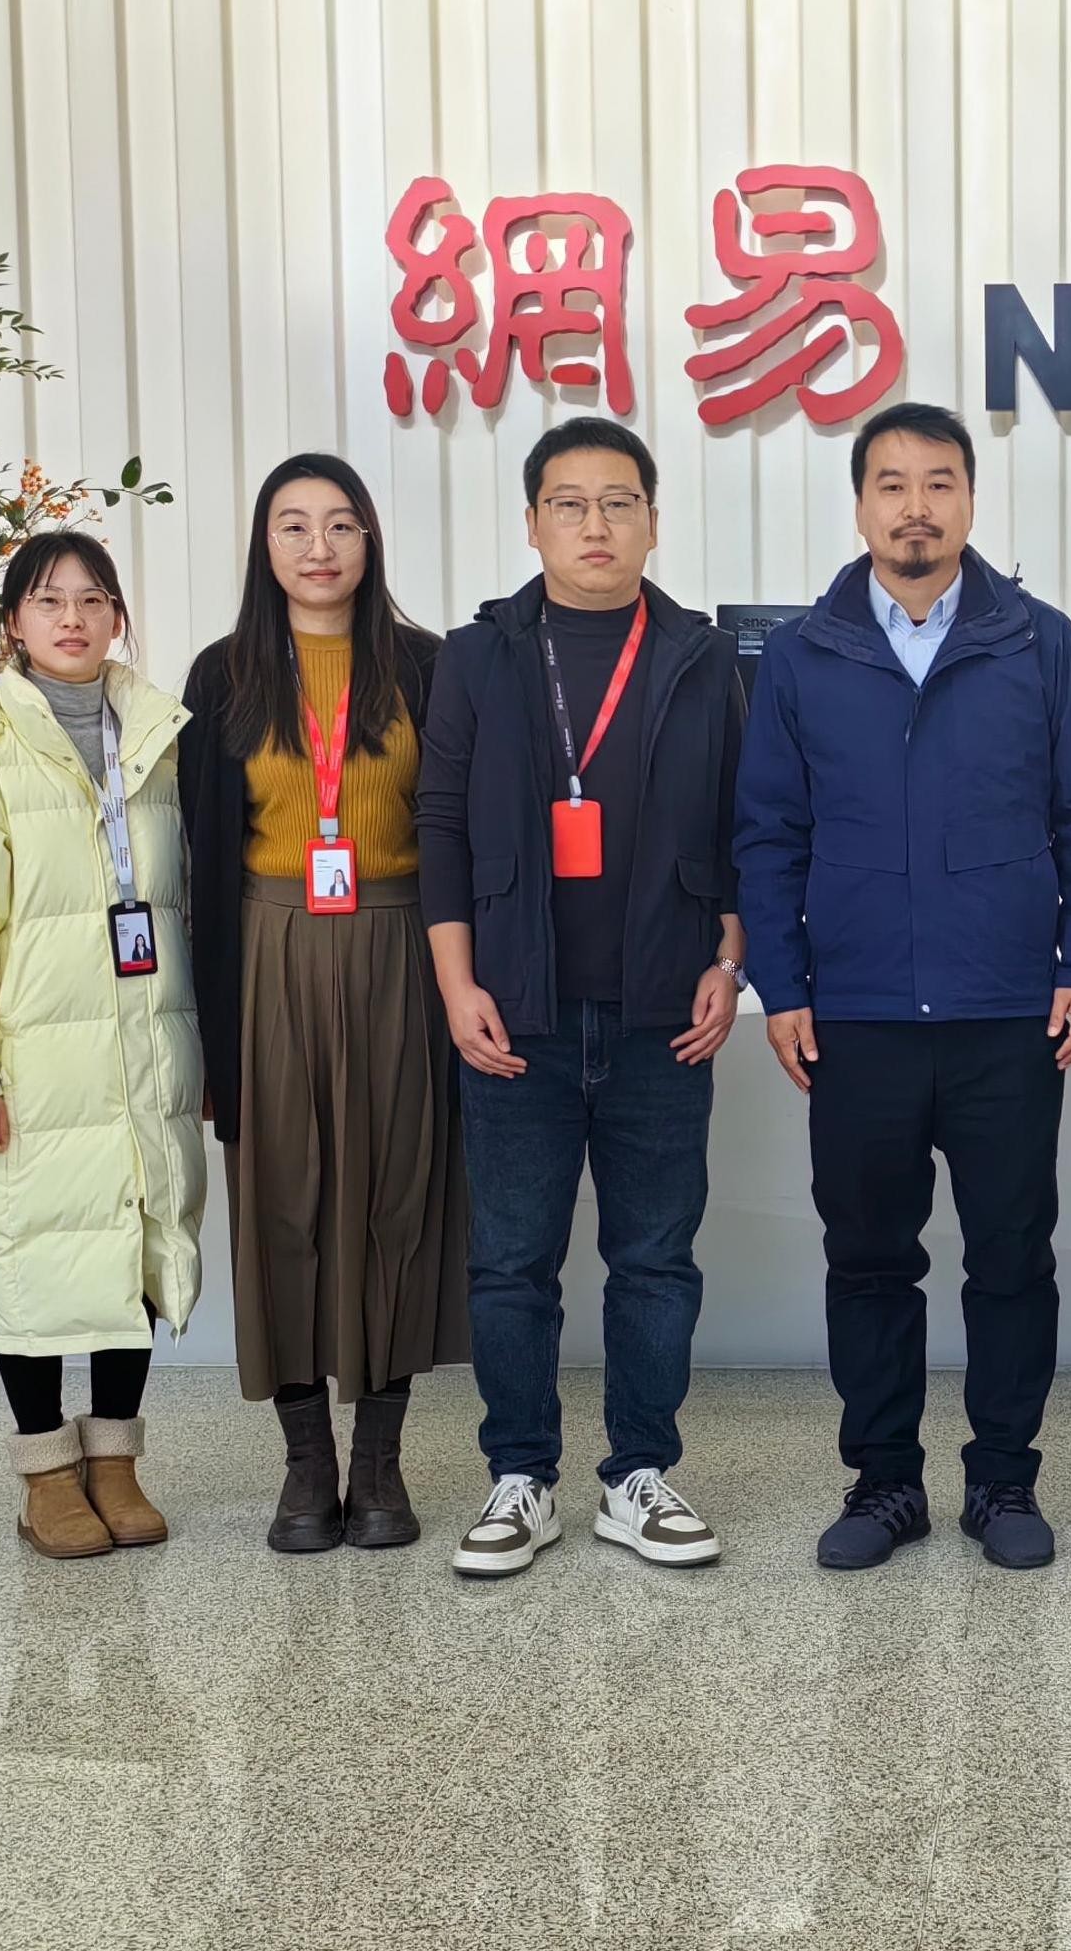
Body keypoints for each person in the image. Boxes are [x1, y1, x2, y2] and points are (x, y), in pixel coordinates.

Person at [735, 401, 1071, 1574]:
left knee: (1010, 1256)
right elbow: (768, 833)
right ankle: (884, 1481)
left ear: (968, 501)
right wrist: (781, 984)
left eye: (938, 483)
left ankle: (1002, 1477)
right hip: (856, 1015)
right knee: (868, 1258)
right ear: (859, 504)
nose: (915, 507)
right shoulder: (802, 654)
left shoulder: (1039, 644)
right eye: (891, 484)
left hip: (1007, 1010)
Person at [418, 416, 747, 1580]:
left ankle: (636, 1474)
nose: (594, 523)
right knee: (511, 1261)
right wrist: (457, 985)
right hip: (519, 1009)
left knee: (654, 1259)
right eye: (569, 502)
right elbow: (440, 827)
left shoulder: (701, 656)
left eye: (618, 502)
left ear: (653, 520)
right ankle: (520, 1476)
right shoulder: (479, 654)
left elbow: (742, 824)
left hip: (663, 1011)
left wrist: (729, 961)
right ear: (532, 522)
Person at [176, 454, 462, 1556]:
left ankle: (380, 1460)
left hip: (400, 943)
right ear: (264, 545)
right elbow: (199, 855)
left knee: (397, 1197)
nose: (318, 547)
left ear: (370, 540)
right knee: (281, 1199)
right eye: (292, 526)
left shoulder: (425, 665)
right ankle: (306, 1463)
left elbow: (457, 825)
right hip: (268, 945)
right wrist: (211, 1031)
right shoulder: (223, 673)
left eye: (341, 524)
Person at [0, 533, 203, 1560]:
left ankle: (115, 1460)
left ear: (118, 615)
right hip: (37, 1052)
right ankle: (45, 1471)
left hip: (148, 1037)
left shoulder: (160, 732)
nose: (71, 618)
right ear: (13, 625)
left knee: (136, 1238)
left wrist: (203, 1052)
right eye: (47, 600)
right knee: (33, 1252)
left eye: (91, 599)